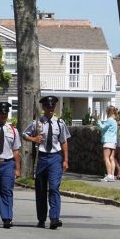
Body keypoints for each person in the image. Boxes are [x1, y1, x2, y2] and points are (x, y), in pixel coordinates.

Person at [23, 96, 71, 229]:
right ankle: (41, 218)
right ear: (43, 108)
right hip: (42, 157)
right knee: (41, 189)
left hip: (55, 157)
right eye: (48, 107)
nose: (50, 109)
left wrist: (65, 160)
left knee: (54, 187)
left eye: (52, 107)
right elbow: (24, 134)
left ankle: (54, 218)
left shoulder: (60, 123)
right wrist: (34, 139)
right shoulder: (37, 123)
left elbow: (64, 142)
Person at [95, 106, 118, 182]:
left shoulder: (109, 120)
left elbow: (102, 127)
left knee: (106, 158)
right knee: (111, 158)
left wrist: (97, 120)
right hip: (113, 142)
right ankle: (112, 175)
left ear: (108, 112)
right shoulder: (115, 121)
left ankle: (109, 175)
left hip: (108, 141)